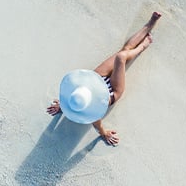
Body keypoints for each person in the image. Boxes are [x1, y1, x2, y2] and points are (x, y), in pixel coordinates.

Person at [46, 12, 162, 145]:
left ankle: (148, 25)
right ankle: (141, 47)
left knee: (124, 50)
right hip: (110, 92)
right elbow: (97, 124)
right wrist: (104, 133)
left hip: (96, 79)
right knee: (121, 58)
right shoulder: (91, 109)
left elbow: (70, 96)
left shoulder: (74, 95)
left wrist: (63, 107)